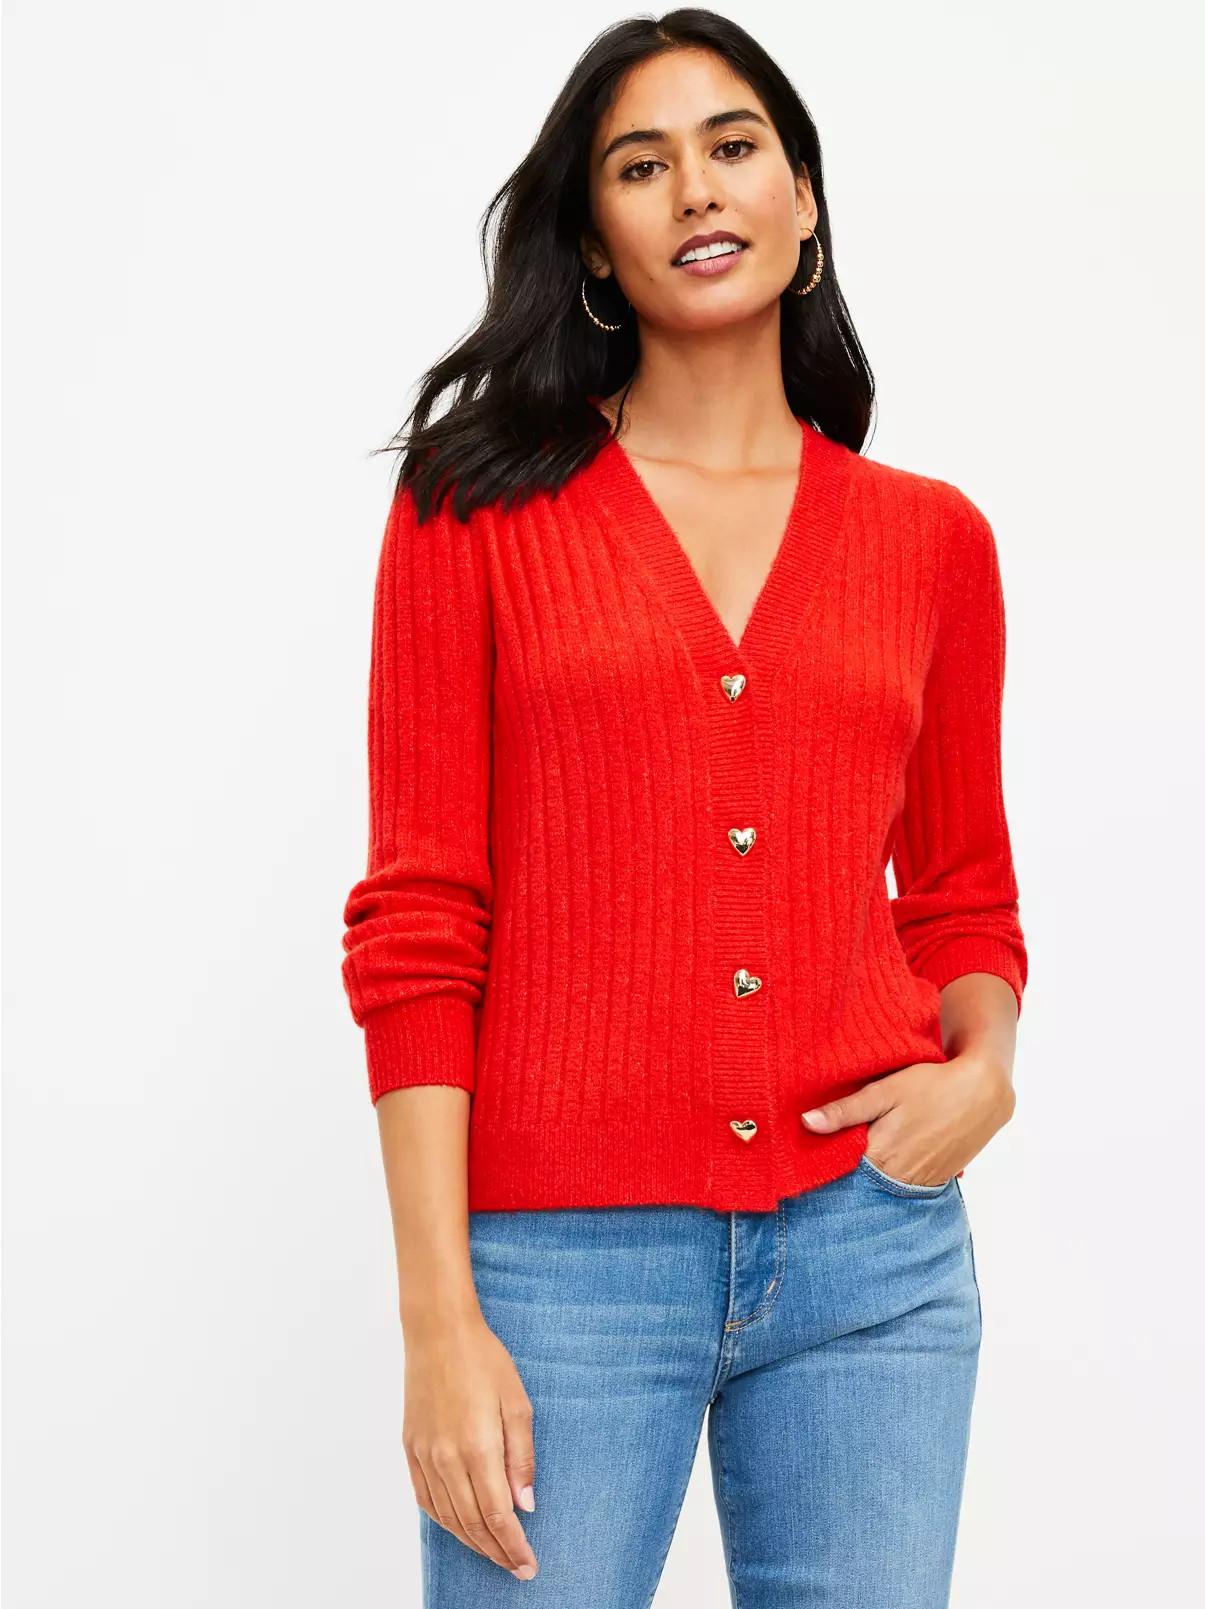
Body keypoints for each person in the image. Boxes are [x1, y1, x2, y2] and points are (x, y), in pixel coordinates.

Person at [340, 10, 1028, 1606]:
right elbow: (419, 918)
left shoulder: (931, 541)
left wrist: (983, 1069)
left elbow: (960, 892)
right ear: (594, 238)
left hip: (872, 1253)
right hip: (557, 1272)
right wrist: (438, 1316)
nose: (698, 190)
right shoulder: (473, 510)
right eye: (641, 166)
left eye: (734, 147)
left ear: (803, 199)